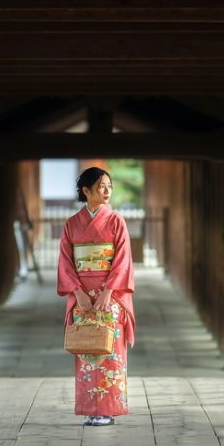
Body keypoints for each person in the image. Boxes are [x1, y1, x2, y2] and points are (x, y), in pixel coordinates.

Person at [57, 167, 136, 426]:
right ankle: (92, 409)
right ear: (86, 191)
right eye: (101, 186)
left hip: (110, 297)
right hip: (82, 296)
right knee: (87, 352)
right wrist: (78, 292)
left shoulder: (116, 222)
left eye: (109, 186)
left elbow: (123, 260)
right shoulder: (71, 225)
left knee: (111, 352)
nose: (107, 191)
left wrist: (109, 291)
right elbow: (67, 263)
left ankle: (109, 408)